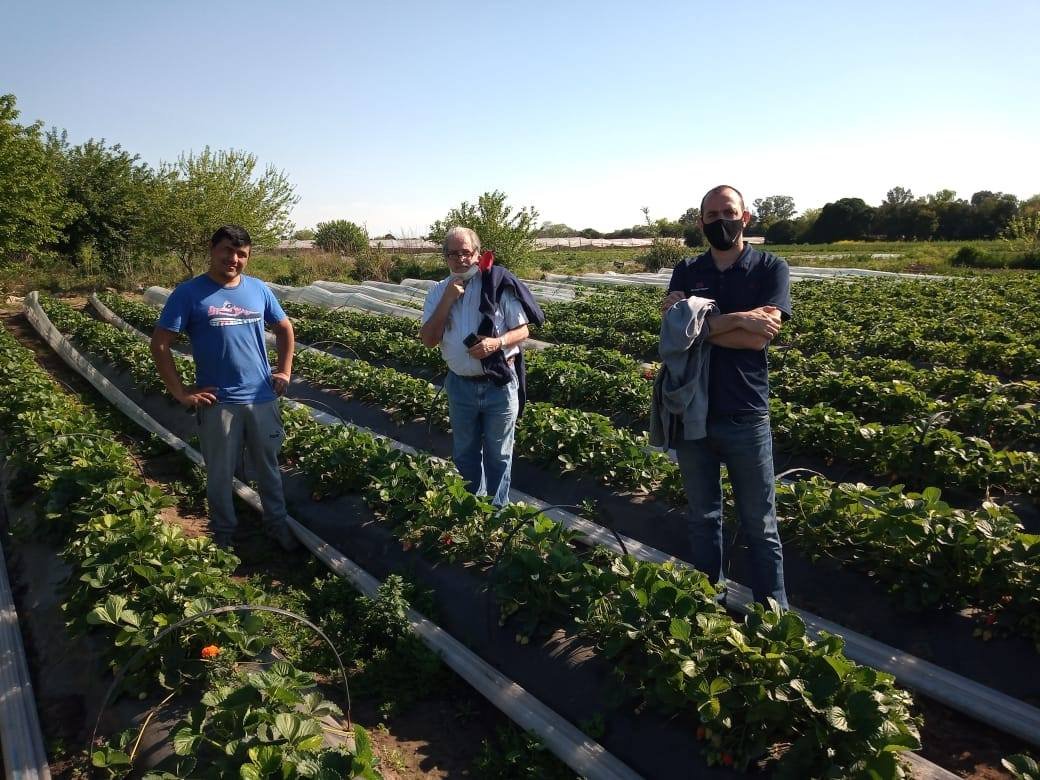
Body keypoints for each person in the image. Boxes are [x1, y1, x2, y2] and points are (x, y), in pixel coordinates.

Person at [660, 185, 791, 608]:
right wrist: (738, 320)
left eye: (727, 212)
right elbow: (674, 334)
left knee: (760, 524)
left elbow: (761, 339)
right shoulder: (687, 268)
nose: (721, 222)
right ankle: (706, 608)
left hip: (744, 413)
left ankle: (773, 617)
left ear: (745, 216)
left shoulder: (770, 267)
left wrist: (698, 323)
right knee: (703, 519)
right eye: (712, 215)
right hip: (692, 411)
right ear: (701, 223)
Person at [150, 225, 298, 552]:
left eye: (241, 254)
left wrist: (284, 371)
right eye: (227, 251)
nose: (233, 259)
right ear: (212, 250)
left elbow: (285, 328)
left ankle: (277, 525)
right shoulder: (189, 293)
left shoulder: (258, 290)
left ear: (248, 256)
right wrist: (181, 392)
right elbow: (160, 344)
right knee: (219, 473)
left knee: (269, 469)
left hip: (261, 397)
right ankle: (224, 534)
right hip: (219, 401)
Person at [419, 226, 544, 506]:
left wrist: (495, 343)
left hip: (498, 384)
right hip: (460, 385)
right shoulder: (437, 291)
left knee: (499, 453)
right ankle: (471, 511)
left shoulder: (497, 286)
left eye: (466, 252)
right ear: (445, 257)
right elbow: (428, 340)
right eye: (454, 253)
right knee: (464, 452)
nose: (461, 259)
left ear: (477, 254)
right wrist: (448, 300)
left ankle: (495, 514)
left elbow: (523, 331)